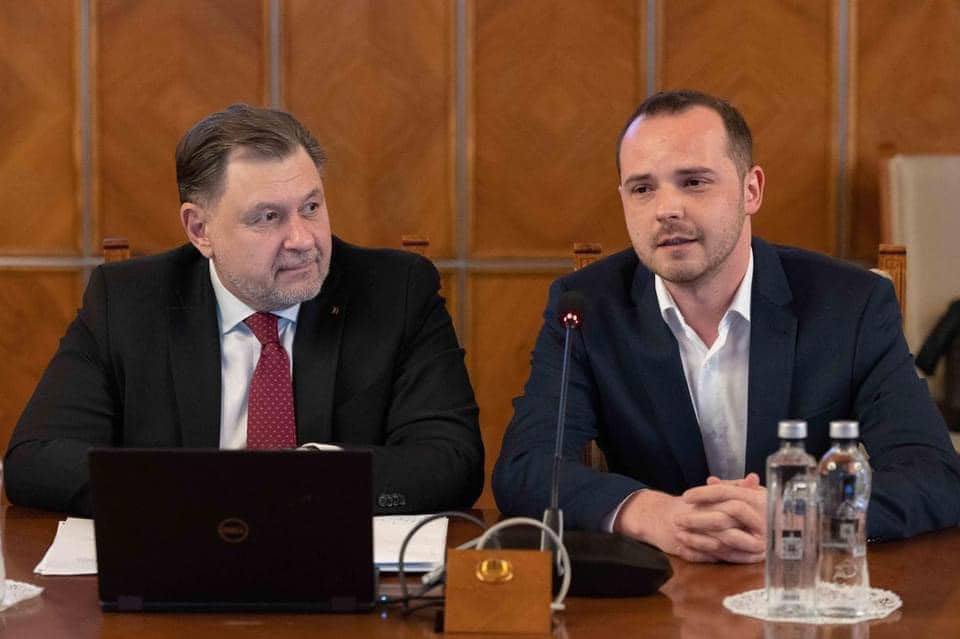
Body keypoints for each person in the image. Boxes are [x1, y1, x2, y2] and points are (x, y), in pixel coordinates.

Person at [493, 89, 960, 563]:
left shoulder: (850, 305)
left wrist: (797, 515)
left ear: (751, 190)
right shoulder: (587, 308)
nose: (666, 209)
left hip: (801, 580)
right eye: (642, 189)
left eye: (694, 182)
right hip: (658, 581)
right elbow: (526, 466)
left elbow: (934, 474)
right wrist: (650, 513)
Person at [5, 104, 483, 516]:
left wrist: (310, 478)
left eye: (311, 207)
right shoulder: (128, 301)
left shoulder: (396, 293)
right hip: (178, 567)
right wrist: (211, 488)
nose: (302, 239)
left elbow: (452, 461)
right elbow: (35, 459)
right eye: (268, 217)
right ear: (200, 230)